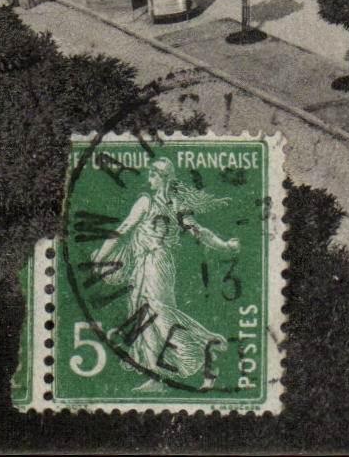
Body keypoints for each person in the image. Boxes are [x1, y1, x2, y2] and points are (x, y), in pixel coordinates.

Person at [92, 159, 239, 390]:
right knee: (145, 318)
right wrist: (226, 245)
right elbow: (200, 233)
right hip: (148, 265)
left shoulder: (150, 202)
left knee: (159, 316)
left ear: (163, 178)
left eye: (153, 175)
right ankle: (156, 377)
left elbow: (123, 230)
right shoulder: (171, 204)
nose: (149, 179)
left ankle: (205, 349)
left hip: (155, 264)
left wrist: (100, 257)